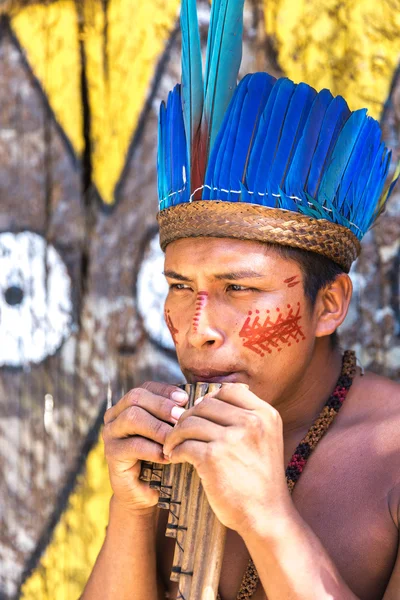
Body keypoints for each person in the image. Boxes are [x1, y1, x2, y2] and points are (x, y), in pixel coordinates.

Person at [82, 0, 400, 598]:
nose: (197, 329)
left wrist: (268, 517)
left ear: (329, 305)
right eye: (180, 287)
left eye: (239, 287)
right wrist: (131, 507)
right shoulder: (174, 448)